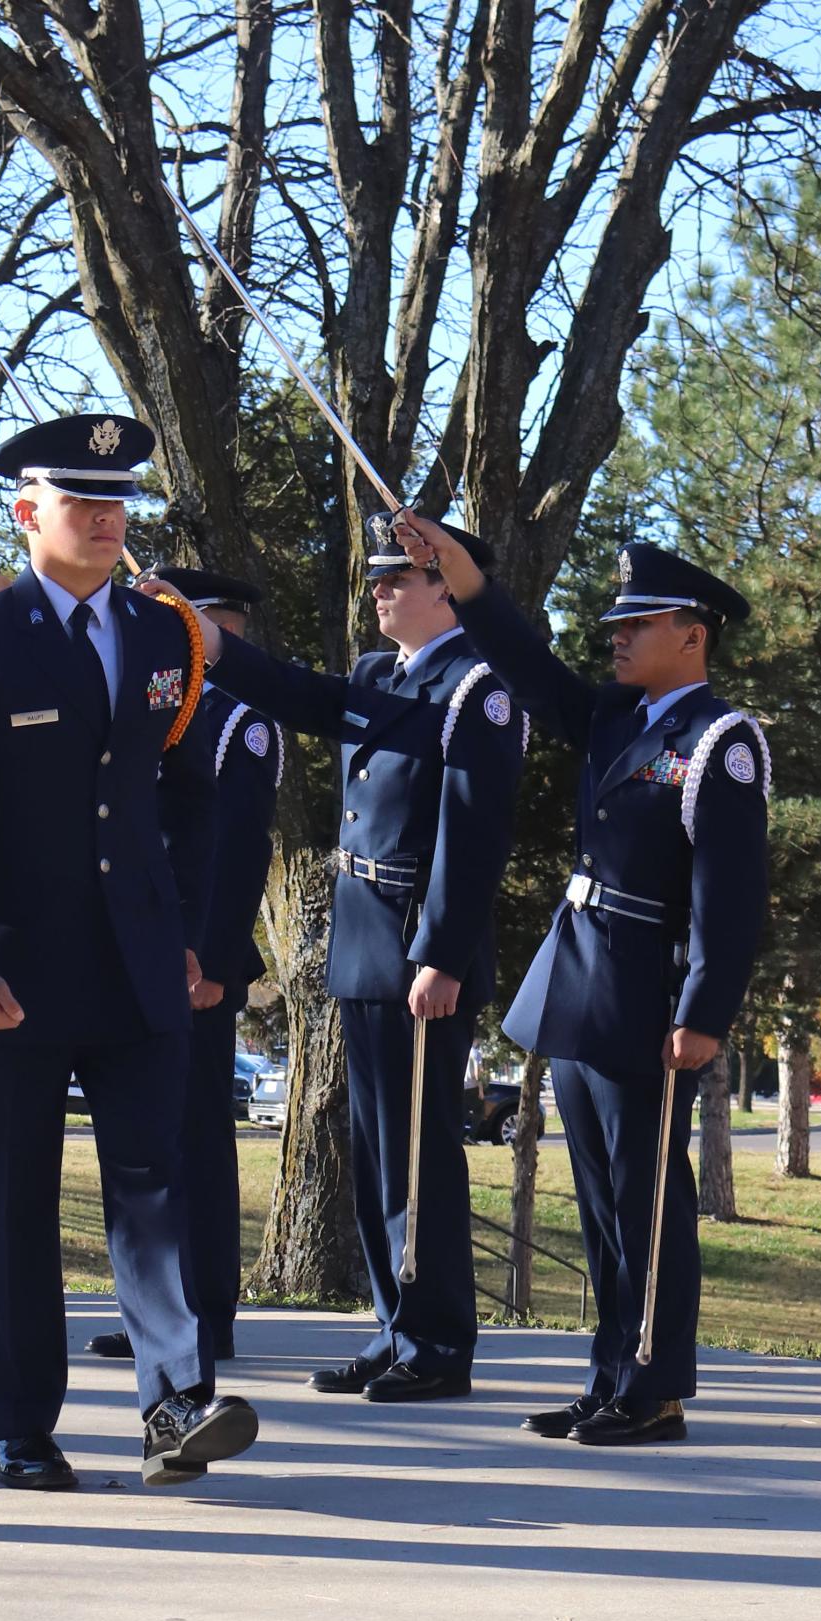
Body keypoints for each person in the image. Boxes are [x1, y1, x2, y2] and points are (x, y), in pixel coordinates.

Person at [0, 411, 256, 1491]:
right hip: (14, 974)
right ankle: (19, 1423)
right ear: (28, 513)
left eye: (120, 503)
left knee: (154, 1190)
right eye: (84, 501)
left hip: (141, 964)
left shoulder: (162, 634)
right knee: (14, 1203)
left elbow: (192, 800)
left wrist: (199, 945)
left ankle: (174, 1408)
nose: (108, 520)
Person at [397, 518, 767, 1445]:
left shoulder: (720, 739)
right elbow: (526, 666)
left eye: (637, 623)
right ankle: (610, 1373)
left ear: (693, 632)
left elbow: (730, 899)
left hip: (647, 990)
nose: (616, 635)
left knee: (647, 1196)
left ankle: (654, 1385)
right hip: (581, 975)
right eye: (615, 622)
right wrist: (461, 576)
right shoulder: (612, 716)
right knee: (601, 1198)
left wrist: (704, 1014)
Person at [191, 515, 524, 1403]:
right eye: (374, 579)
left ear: (443, 587)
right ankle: (395, 1324)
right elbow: (299, 696)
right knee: (377, 1150)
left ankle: (440, 1341)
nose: (377, 591)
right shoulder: (385, 675)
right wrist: (208, 641)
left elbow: (474, 835)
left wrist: (443, 953)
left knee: (422, 1154)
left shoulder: (477, 688)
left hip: (420, 940)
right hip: (363, 931)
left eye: (396, 579)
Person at [89, 570, 281, 1366]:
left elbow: (234, 856)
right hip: (141, 952)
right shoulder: (160, 709)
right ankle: (160, 1313)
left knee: (197, 1136)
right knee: (150, 1141)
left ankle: (206, 1313)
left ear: (215, 630)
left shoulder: (238, 722)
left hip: (197, 963)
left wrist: (215, 964)